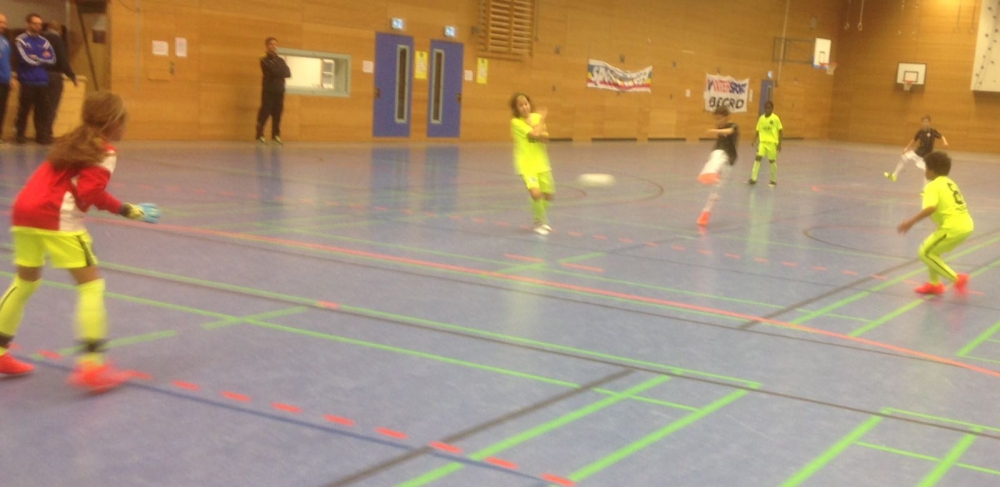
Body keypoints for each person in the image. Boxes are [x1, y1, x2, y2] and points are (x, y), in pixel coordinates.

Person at [0, 92, 161, 393]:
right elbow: (90, 193)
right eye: (124, 120)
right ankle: (93, 366)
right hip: (57, 218)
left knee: (25, 282)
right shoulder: (104, 150)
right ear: (114, 123)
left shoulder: (70, 141)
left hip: (24, 212)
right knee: (91, 287)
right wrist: (128, 209)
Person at [897, 151, 972, 295]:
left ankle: (956, 279)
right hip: (965, 225)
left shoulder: (932, 186)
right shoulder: (950, 182)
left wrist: (910, 222)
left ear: (931, 170)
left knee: (924, 252)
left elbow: (931, 208)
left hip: (953, 227)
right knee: (933, 252)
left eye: (926, 168)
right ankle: (934, 284)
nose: (925, 171)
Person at [509, 92, 554, 235]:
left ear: (529, 104)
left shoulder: (536, 117)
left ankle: (537, 215)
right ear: (516, 109)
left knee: (549, 195)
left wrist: (539, 129)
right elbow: (534, 134)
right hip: (526, 163)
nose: (524, 107)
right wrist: (541, 122)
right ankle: (540, 222)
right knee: (535, 193)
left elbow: (545, 139)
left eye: (526, 104)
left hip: (542, 162)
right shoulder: (516, 122)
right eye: (520, 105)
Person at [14, 13, 55, 145]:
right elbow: (25, 59)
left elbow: (52, 60)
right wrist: (42, 57)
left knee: (42, 111)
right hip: (27, 81)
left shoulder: (44, 42)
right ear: (28, 24)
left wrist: (36, 57)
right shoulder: (21, 40)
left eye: (40, 24)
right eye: (35, 24)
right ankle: (20, 135)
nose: (38, 26)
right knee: (24, 110)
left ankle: (41, 136)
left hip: (42, 81)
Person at [697, 105, 739, 227]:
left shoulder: (733, 126)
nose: (718, 121)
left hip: (728, 159)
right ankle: (709, 173)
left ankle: (707, 211)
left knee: (717, 189)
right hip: (718, 153)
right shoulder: (720, 127)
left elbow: (729, 131)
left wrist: (715, 131)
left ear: (727, 117)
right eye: (716, 118)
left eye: (720, 118)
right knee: (715, 156)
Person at [41, 20, 78, 142]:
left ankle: (39, 133)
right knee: (52, 106)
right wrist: (72, 75)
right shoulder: (58, 40)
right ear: (60, 31)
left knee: (41, 106)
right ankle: (46, 133)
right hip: (54, 76)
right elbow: (62, 60)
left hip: (40, 75)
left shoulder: (40, 39)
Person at [884, 115, 948, 182]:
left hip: (926, 156)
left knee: (927, 172)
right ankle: (894, 175)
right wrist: (906, 148)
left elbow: (941, 136)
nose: (925, 123)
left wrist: (945, 142)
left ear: (929, 123)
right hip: (918, 152)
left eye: (926, 122)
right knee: (904, 157)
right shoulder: (920, 131)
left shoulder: (933, 131)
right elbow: (914, 139)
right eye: (924, 122)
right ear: (922, 123)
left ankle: (925, 187)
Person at [255, 37, 291, 145]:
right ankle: (260, 135)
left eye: (275, 44)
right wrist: (279, 72)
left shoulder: (281, 60)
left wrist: (278, 72)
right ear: (267, 46)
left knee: (278, 113)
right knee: (265, 112)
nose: (274, 46)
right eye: (271, 44)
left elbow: (288, 73)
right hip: (269, 90)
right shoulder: (264, 59)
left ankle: (276, 135)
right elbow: (272, 71)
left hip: (279, 90)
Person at [748, 101, 783, 187]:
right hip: (762, 143)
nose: (768, 109)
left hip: (772, 143)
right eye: (766, 108)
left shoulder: (775, 118)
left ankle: (773, 180)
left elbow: (780, 131)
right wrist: (754, 140)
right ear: (764, 109)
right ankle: (753, 179)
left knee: (772, 161)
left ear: (772, 109)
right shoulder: (761, 119)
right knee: (758, 158)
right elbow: (758, 130)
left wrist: (780, 144)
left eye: (769, 108)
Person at [0, 13, 11, 144]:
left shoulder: (5, 41)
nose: (3, 25)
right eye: (1, 22)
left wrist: (10, 76)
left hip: (4, 80)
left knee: (2, 109)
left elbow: (6, 61)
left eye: (5, 23)